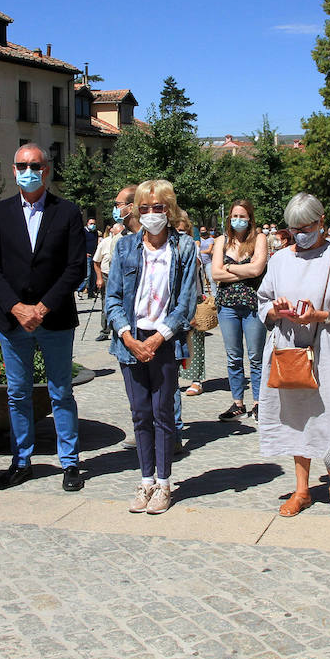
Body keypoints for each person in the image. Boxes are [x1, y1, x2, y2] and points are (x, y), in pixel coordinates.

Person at [0, 143, 87, 492]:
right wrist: (17, 308)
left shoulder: (67, 212)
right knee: (17, 393)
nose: (29, 171)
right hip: (13, 320)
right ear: (13, 170)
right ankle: (21, 460)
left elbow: (75, 268)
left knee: (61, 391)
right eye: (22, 165)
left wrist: (41, 308)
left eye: (36, 165)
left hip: (54, 318)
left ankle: (70, 463)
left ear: (47, 169)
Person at [257, 193, 330, 518]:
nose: (300, 233)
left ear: (321, 222)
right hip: (290, 348)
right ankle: (302, 489)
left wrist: (321, 316)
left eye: (306, 227)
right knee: (297, 416)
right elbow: (263, 300)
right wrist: (275, 308)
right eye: (294, 228)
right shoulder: (279, 260)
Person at [105, 180, 198, 514]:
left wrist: (159, 338)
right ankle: (145, 481)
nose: (151, 214)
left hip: (165, 342)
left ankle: (163, 483)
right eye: (144, 208)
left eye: (157, 207)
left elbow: (186, 302)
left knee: (162, 414)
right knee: (140, 414)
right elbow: (113, 297)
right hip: (130, 340)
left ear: (169, 209)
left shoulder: (184, 248)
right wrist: (128, 337)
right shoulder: (125, 247)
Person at [211, 199, 269, 420]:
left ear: (250, 218)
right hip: (227, 306)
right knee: (233, 356)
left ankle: (259, 402)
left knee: (256, 356)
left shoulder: (259, 239)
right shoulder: (221, 241)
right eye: (235, 216)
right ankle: (237, 403)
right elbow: (215, 274)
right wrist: (243, 270)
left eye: (242, 216)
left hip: (253, 305)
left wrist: (228, 267)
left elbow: (257, 269)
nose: (238, 220)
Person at [94, 188, 139, 342]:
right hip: (125, 317)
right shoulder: (119, 240)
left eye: (118, 204)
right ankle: (105, 329)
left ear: (131, 206)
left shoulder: (153, 237)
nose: (115, 209)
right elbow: (115, 287)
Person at [177, 212, 206, 402]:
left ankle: (197, 380)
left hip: (192, 298)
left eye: (182, 230)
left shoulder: (191, 247)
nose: (179, 234)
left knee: (195, 341)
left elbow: (195, 266)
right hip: (173, 300)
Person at [81, 217, 99, 298]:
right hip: (87, 256)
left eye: (94, 224)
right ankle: (79, 289)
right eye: (91, 224)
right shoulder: (83, 232)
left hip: (94, 255)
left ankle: (91, 293)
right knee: (87, 275)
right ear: (87, 224)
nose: (93, 225)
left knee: (93, 276)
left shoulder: (95, 232)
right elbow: (80, 243)